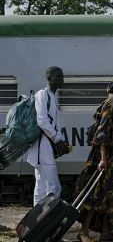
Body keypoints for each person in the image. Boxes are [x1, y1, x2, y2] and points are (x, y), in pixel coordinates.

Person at [75, 76, 113, 242]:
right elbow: (103, 132)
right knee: (96, 194)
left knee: (110, 194)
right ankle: (83, 233)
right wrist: (102, 159)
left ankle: (107, 233)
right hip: (106, 159)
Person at [27, 66, 67, 206]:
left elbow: (55, 123)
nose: (62, 79)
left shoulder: (53, 97)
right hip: (42, 147)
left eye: (62, 76)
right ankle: (46, 221)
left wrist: (60, 139)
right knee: (54, 187)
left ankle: (36, 222)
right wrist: (57, 139)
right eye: (58, 76)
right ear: (49, 78)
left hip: (45, 147)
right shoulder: (42, 95)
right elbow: (42, 120)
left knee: (41, 187)